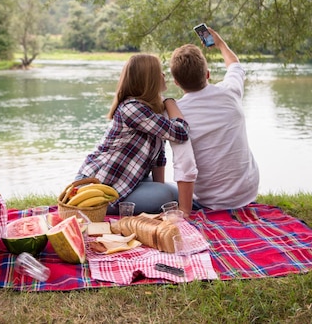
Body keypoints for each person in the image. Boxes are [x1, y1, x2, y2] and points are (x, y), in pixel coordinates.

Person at [75, 53, 190, 214]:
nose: (164, 75)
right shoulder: (132, 108)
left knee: (176, 195)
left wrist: (159, 186)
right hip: (101, 187)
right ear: (148, 79)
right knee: (168, 196)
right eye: (159, 72)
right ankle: (104, 208)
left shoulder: (152, 110)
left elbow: (159, 159)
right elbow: (181, 132)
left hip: (129, 180)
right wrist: (170, 102)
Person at [169, 26, 260, 213]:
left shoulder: (175, 113)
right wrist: (220, 44)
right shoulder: (230, 91)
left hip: (208, 200)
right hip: (247, 193)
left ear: (176, 83)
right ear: (208, 74)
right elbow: (235, 64)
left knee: (164, 193)